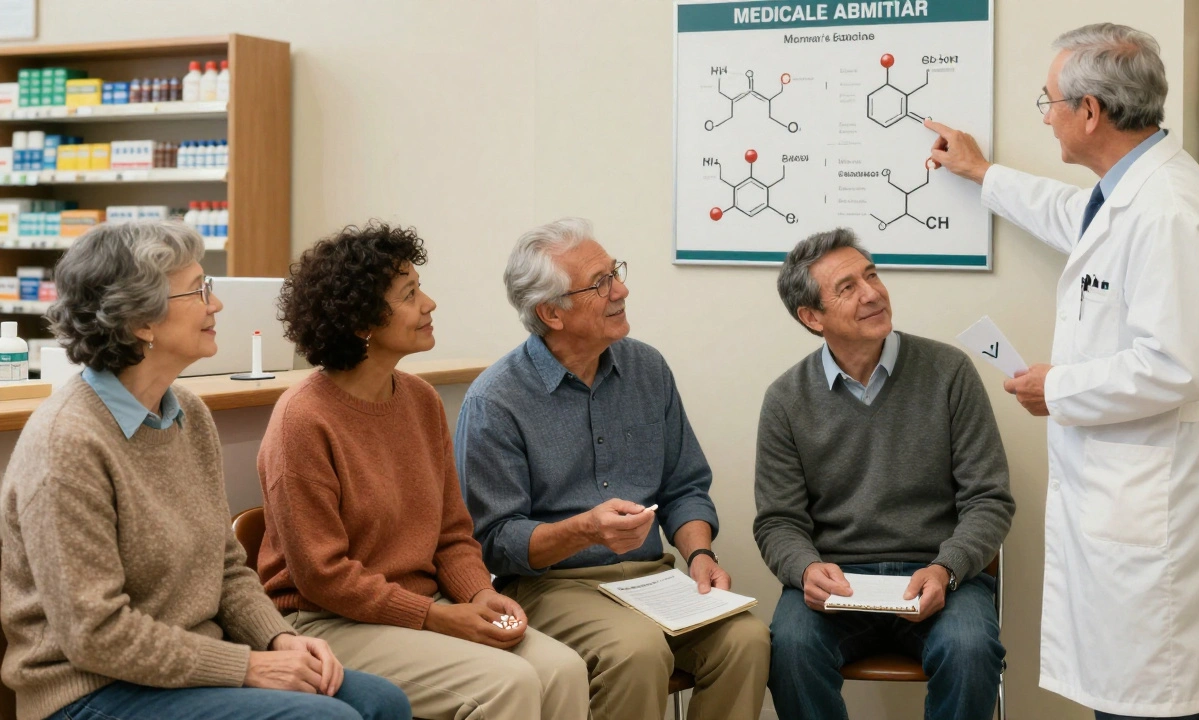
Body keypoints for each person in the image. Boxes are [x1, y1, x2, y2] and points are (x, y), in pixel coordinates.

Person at [926, 23, 1199, 720]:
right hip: (1133, 496)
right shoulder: (1132, 190)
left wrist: (1057, 387)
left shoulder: (1165, 211)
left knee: (1150, 703)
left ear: (1091, 111)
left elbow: (1174, 366)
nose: (1048, 118)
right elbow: (1079, 219)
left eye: (1048, 103)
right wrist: (983, 173)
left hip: (1158, 504)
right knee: (1128, 697)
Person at [0, 221, 410, 720]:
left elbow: (226, 567)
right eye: (199, 291)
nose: (215, 305)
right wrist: (246, 667)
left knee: (382, 701)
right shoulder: (66, 442)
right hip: (91, 690)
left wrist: (279, 639)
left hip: (189, 669)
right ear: (140, 321)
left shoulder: (187, 415)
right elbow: (96, 634)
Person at [256, 222, 588, 720]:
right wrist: (437, 617)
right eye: (410, 294)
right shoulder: (302, 419)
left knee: (565, 669)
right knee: (508, 684)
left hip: (421, 607)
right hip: (325, 622)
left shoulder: (420, 400)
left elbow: (452, 534)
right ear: (361, 323)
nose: (429, 303)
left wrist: (480, 593)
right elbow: (324, 577)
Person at [456, 217, 770, 720]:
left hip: (652, 578)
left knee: (748, 639)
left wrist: (701, 555)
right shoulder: (496, 401)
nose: (621, 289)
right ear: (551, 313)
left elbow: (684, 485)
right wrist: (583, 531)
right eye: (600, 283)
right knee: (637, 652)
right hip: (550, 588)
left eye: (615, 271)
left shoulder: (647, 369)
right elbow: (494, 540)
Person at [755, 228, 1014, 720]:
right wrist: (806, 570)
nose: (872, 292)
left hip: (939, 574)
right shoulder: (786, 399)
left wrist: (947, 567)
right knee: (788, 649)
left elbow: (989, 499)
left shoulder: (949, 373)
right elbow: (777, 521)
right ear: (812, 317)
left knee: (970, 650)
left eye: (870, 275)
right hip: (839, 584)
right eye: (847, 287)